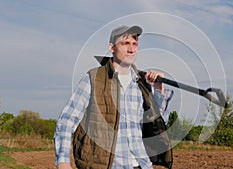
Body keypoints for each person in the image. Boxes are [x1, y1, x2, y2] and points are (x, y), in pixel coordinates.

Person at [54, 25, 173, 169]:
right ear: (112, 47)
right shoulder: (94, 78)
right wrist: (63, 161)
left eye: (134, 44)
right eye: (125, 43)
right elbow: (66, 121)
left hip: (142, 165)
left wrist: (158, 91)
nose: (131, 48)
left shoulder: (141, 83)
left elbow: (157, 124)